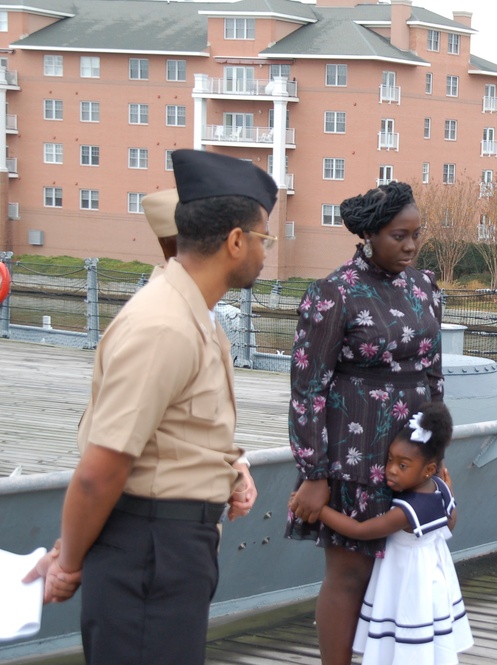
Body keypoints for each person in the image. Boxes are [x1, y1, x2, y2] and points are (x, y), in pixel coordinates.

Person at [23, 149, 277, 664]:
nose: (265, 252)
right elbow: (102, 469)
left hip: (169, 549)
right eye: (263, 238)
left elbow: (177, 433)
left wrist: (232, 469)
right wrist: (68, 561)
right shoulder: (163, 325)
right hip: (150, 551)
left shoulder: (192, 315)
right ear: (235, 242)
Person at [285, 181, 443, 665]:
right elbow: (308, 388)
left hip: (413, 453)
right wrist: (314, 474)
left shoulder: (424, 286)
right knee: (350, 573)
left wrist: (437, 457)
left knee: (399, 569)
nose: (411, 246)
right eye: (399, 236)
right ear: (370, 235)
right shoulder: (333, 294)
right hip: (354, 453)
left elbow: (434, 375)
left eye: (416, 235)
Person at [289, 402, 472, 665]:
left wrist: (321, 510)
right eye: (390, 460)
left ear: (428, 469)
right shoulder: (439, 488)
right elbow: (449, 522)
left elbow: (361, 530)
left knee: (406, 637)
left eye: (403, 465)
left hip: (407, 582)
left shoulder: (407, 510)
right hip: (433, 574)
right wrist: (450, 492)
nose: (391, 470)